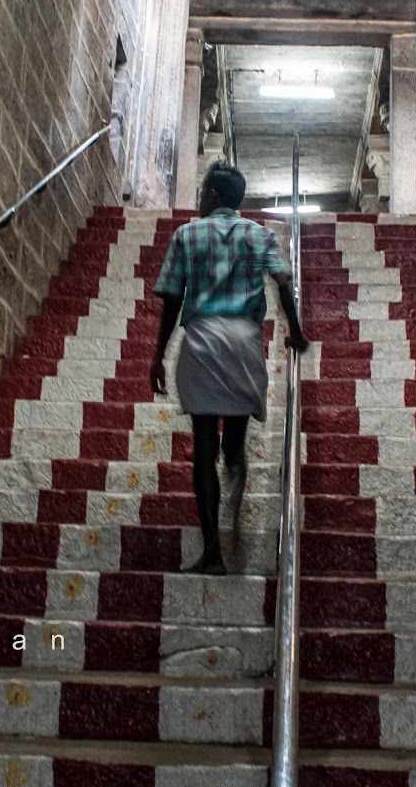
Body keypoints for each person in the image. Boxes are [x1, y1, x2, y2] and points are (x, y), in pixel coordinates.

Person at [150, 164, 310, 575]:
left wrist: (158, 357)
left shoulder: (187, 234)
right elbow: (282, 279)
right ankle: (236, 469)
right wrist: (295, 330)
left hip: (202, 340)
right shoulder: (260, 234)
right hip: (244, 341)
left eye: (203, 191)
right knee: (232, 440)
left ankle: (213, 553)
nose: (200, 198)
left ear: (214, 196)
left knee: (203, 448)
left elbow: (171, 299)